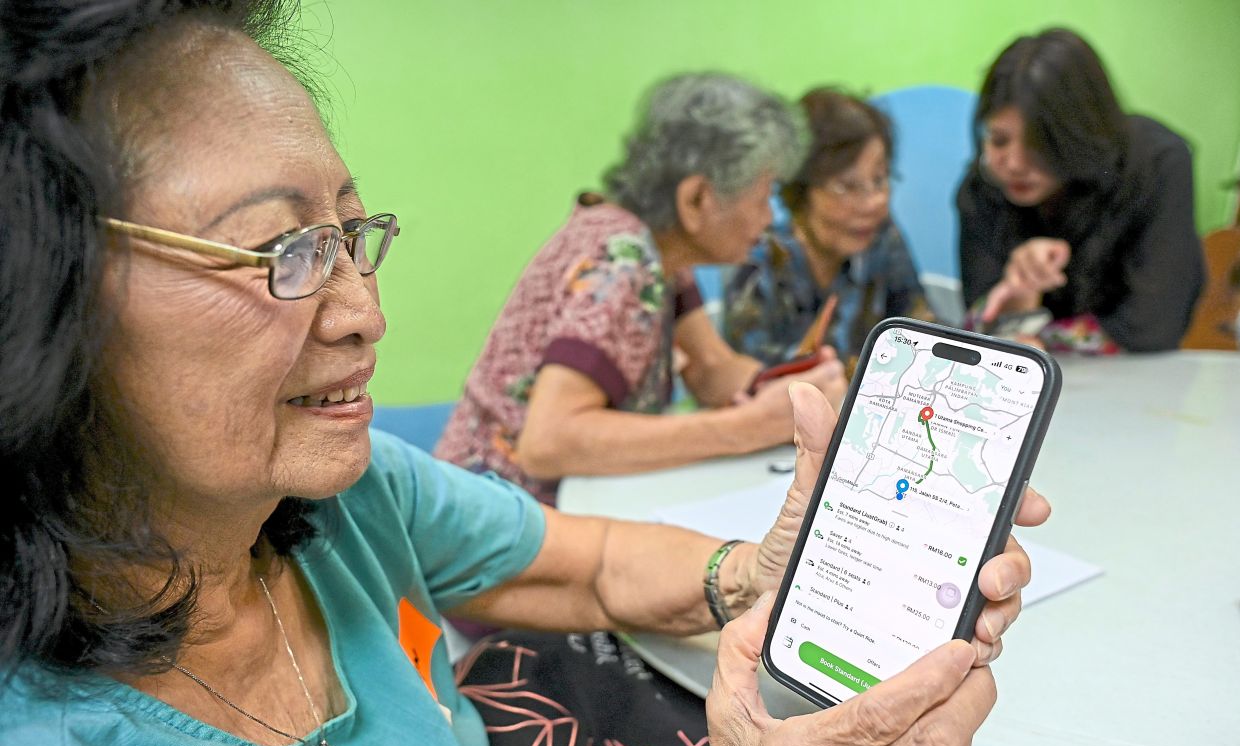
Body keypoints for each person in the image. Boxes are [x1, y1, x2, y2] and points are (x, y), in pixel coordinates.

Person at [0, 2, 1049, 746]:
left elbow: (580, 557)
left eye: (353, 237)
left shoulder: (348, 493)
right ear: (37, 303)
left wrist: (763, 566)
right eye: (284, 250)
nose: (366, 311)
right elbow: (553, 438)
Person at [434, 74, 847, 503]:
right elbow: (548, 443)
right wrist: (749, 428)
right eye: (764, 195)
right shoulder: (624, 262)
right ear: (696, 200)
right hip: (489, 521)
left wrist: (796, 392)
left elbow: (710, 368)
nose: (769, 217)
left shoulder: (658, 253)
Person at [957, 28, 1205, 353]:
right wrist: (1011, 300)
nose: (1014, 164)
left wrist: (1039, 338)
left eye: (1040, 143)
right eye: (999, 140)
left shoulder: (1155, 163)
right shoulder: (983, 185)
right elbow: (979, 330)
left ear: (1080, 133)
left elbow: (1152, 326)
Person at [723, 88, 927, 365]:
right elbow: (744, 373)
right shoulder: (758, 259)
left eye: (879, 180)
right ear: (802, 189)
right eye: (847, 186)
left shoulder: (882, 239)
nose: (872, 203)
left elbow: (921, 324)